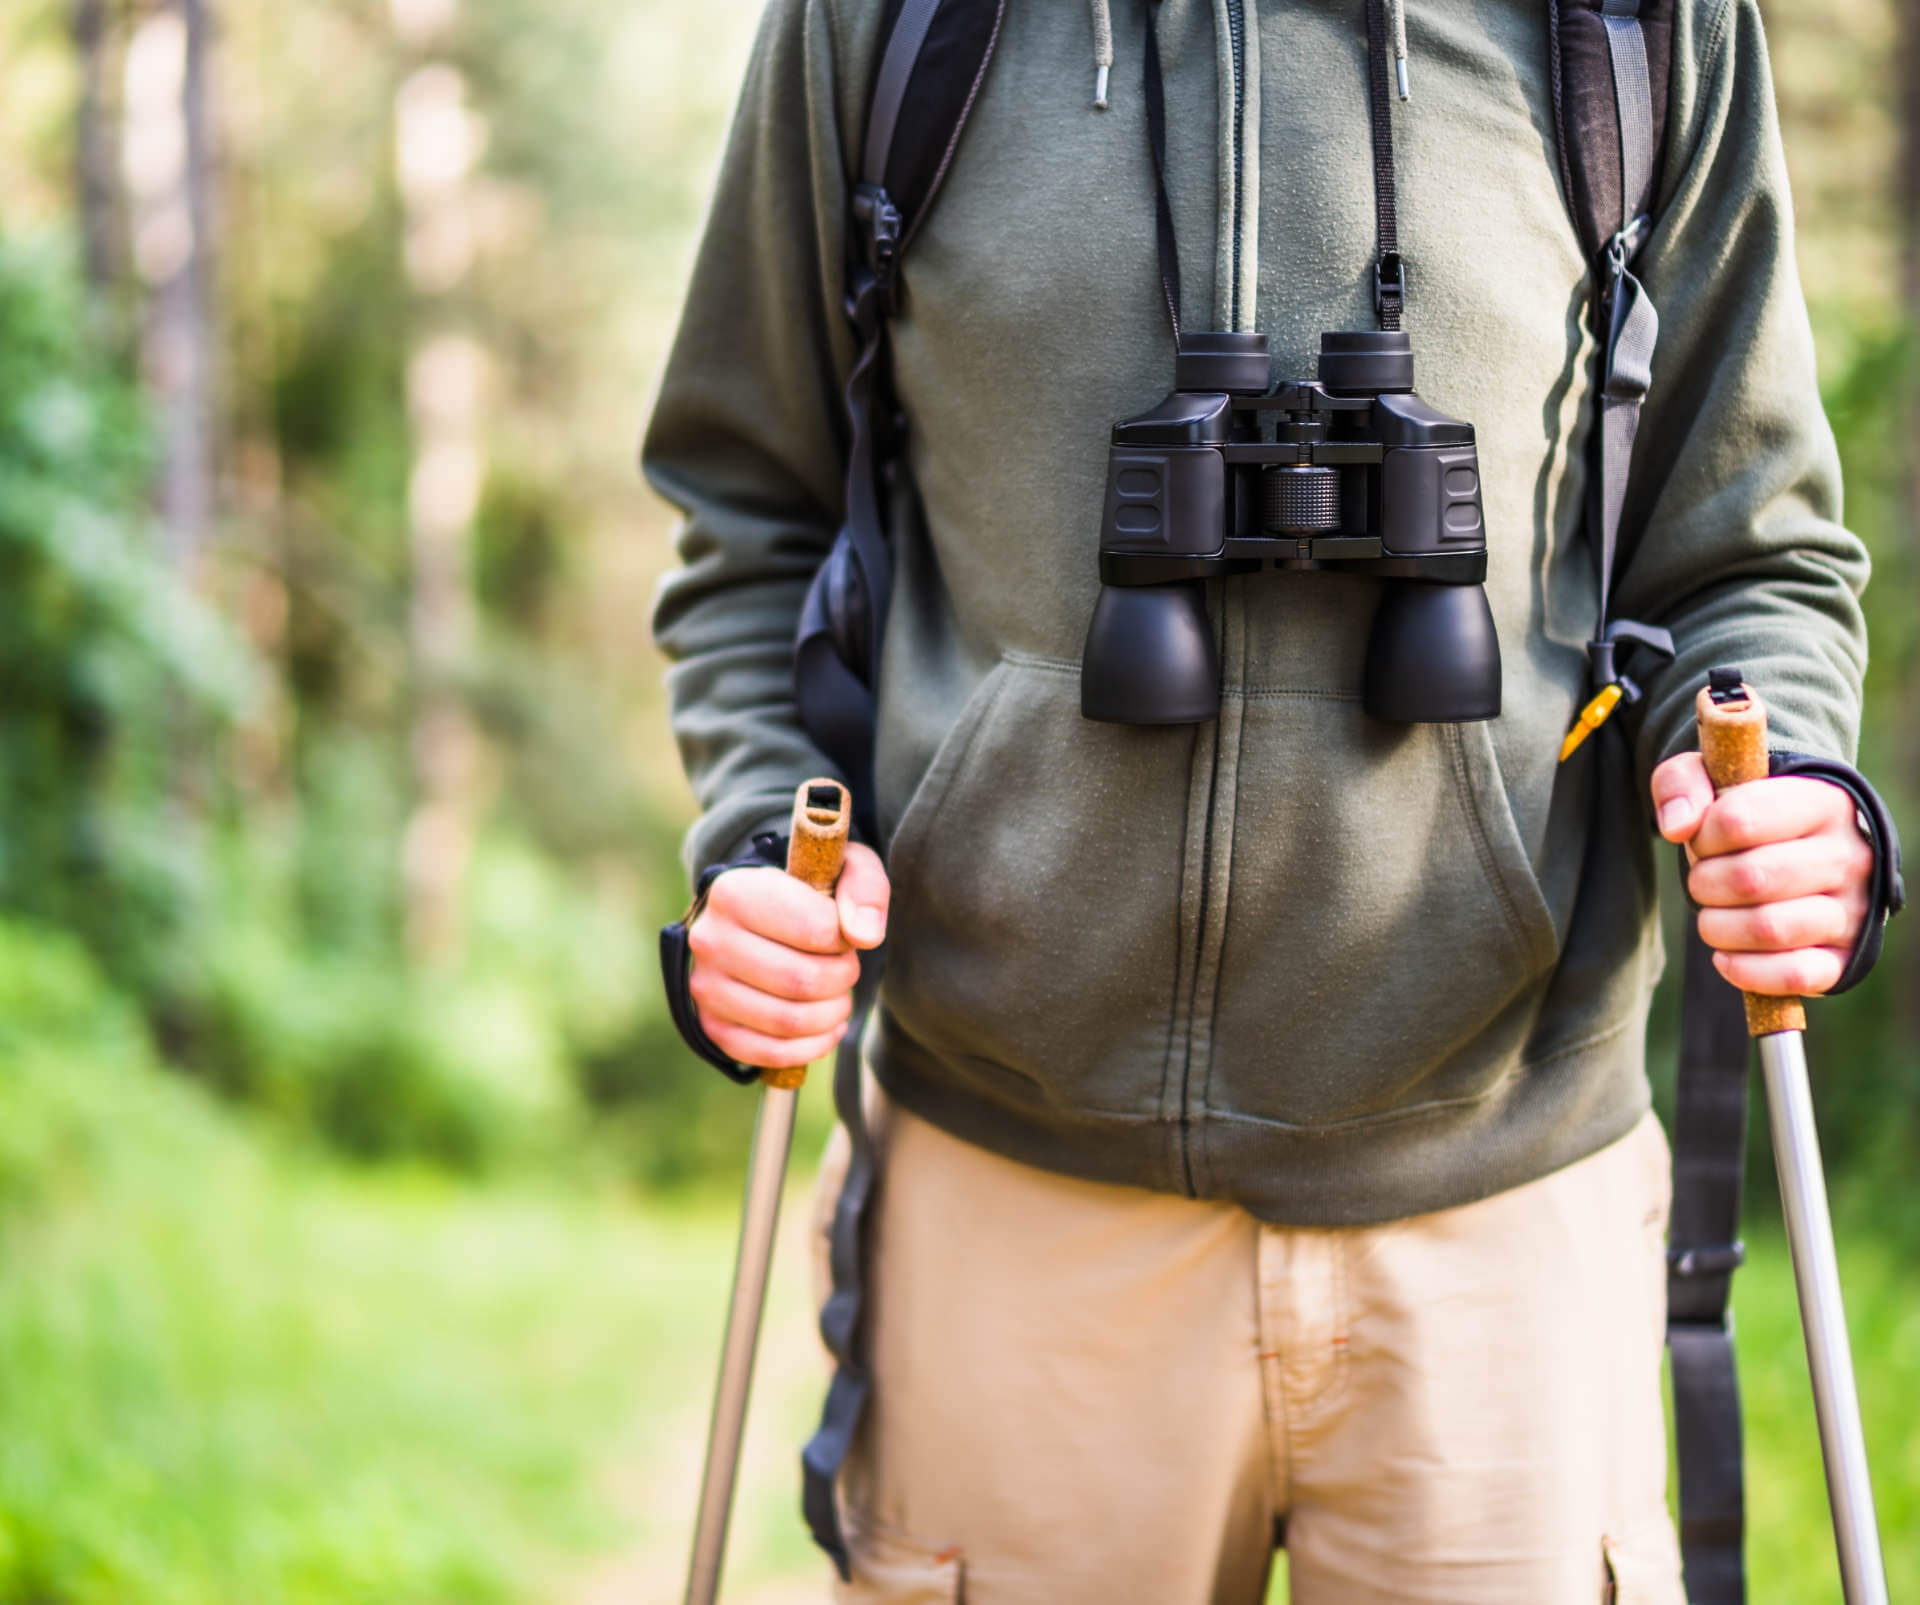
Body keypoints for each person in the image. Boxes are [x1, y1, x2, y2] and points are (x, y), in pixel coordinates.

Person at [643, 0, 1881, 1598]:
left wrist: (1782, 785)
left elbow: (1748, 548)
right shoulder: (877, 25)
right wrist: (762, 840)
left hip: (1502, 1199)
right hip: (1015, 1202)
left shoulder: (1637, 23)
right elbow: (752, 513)